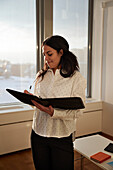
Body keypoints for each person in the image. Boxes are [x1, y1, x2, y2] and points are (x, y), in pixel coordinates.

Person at [25, 35, 86, 170]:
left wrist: (53, 112)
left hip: (62, 137)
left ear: (61, 52)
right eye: (44, 54)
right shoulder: (41, 75)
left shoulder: (76, 78)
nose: (46, 58)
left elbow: (78, 110)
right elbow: (38, 101)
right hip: (38, 134)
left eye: (49, 54)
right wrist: (31, 99)